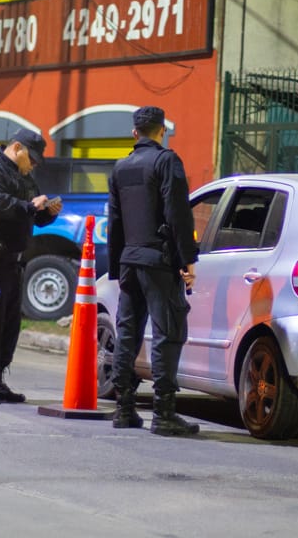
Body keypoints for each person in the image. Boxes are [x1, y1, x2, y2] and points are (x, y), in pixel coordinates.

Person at [107, 106, 199, 436]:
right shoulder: (166, 161)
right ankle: (164, 413)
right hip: (158, 262)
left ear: (135, 133)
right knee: (167, 332)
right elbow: (178, 213)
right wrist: (187, 259)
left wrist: (117, 266)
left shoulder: (120, 168)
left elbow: (114, 221)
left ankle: (124, 408)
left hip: (129, 261)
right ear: (162, 130)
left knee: (128, 333)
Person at [0, 128, 63, 404]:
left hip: (12, 260)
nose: (34, 165)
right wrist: (30, 206)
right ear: (17, 148)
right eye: (32, 158)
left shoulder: (24, 177)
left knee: (8, 326)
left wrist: (47, 213)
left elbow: (31, 214)